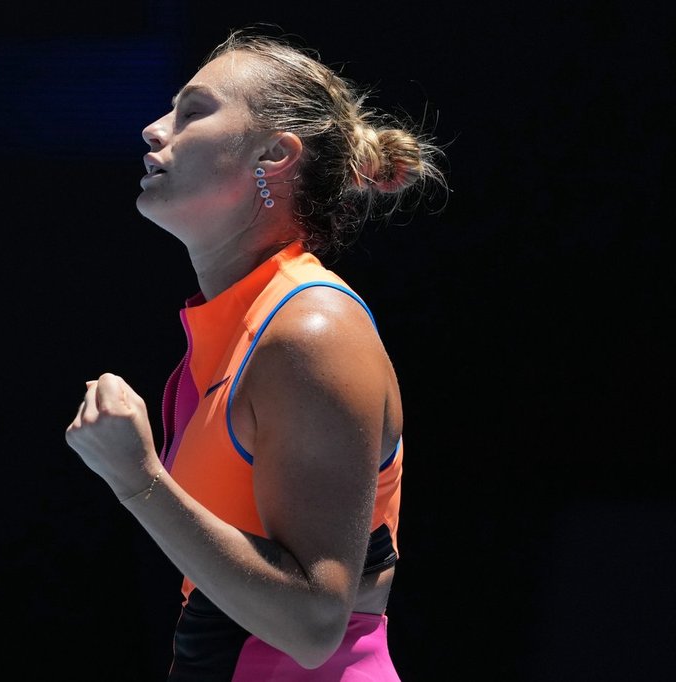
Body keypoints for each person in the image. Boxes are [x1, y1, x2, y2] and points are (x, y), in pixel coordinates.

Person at [65, 25, 447, 681]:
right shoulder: (232, 331)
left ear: (273, 155)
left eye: (193, 112)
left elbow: (313, 627)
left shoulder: (311, 330)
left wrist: (139, 481)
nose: (154, 130)